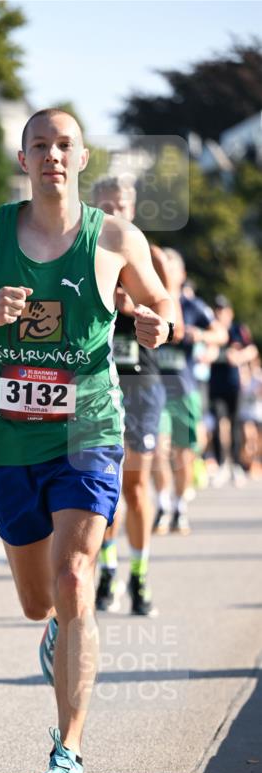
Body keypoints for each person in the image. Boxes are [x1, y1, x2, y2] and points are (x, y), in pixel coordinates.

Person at [0, 108, 174, 773]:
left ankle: (66, 753)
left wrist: (154, 322)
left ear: (82, 157)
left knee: (72, 581)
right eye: (40, 145)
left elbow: (161, 309)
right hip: (8, 440)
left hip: (85, 432)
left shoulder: (115, 238)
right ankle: (58, 638)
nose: (52, 156)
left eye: (64, 145)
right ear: (23, 156)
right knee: (38, 602)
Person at [91, 177, 182, 615]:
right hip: (94, 383)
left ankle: (140, 576)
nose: (114, 212)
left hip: (141, 384)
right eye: (105, 205)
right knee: (100, 486)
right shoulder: (83, 255)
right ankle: (107, 572)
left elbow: (173, 321)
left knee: (136, 485)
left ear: (133, 208)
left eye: (121, 205)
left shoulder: (153, 258)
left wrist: (147, 314)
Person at [153, 252, 227, 535]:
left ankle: (180, 506)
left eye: (172, 269)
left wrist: (201, 336)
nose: (166, 274)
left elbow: (220, 333)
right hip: (154, 389)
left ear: (181, 275)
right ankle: (161, 504)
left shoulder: (193, 305)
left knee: (183, 455)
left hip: (184, 390)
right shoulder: (148, 301)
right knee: (158, 450)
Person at [209, 295, 258, 484]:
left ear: (230, 312)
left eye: (223, 310)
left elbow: (252, 350)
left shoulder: (238, 329)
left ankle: (236, 465)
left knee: (236, 423)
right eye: (217, 310)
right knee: (219, 423)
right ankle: (222, 463)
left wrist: (238, 356)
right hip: (215, 384)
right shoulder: (211, 328)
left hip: (234, 385)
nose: (220, 314)